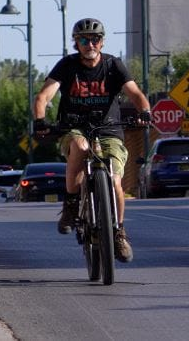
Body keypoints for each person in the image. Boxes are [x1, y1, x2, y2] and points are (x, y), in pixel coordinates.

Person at [32, 17, 151, 263]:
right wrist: (40, 120)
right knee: (80, 146)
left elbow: (136, 93)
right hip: (74, 128)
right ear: (76, 43)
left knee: (115, 181)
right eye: (84, 40)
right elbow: (44, 96)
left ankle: (118, 232)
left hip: (109, 130)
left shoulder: (113, 65)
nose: (90, 44)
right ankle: (72, 204)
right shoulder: (66, 66)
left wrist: (144, 112)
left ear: (102, 41)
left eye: (95, 39)